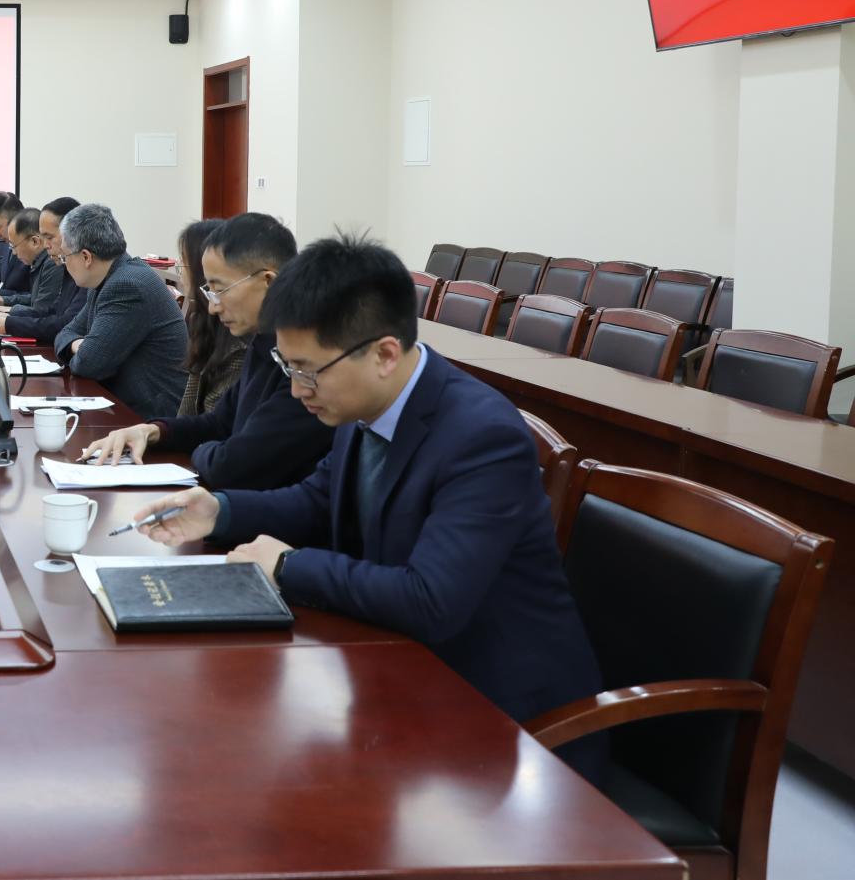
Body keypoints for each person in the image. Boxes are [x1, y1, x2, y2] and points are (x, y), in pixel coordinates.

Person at [130, 233, 607, 781]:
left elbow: (430, 600)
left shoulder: (480, 436)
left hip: (505, 728)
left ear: (383, 354)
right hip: (401, 673)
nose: (297, 390)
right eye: (289, 367)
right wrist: (220, 510)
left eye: (308, 370)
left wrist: (287, 565)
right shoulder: (365, 404)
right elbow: (316, 500)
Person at [81, 212, 332, 490]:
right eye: (208, 292)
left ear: (269, 282)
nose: (212, 306)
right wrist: (152, 431)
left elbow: (234, 466)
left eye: (219, 290)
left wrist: (201, 450)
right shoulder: (262, 342)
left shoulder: (303, 364)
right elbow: (219, 422)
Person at [52, 203, 187, 419]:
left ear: (86, 257)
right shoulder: (107, 278)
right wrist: (80, 344)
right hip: (122, 406)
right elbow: (65, 333)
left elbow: (88, 365)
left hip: (149, 419)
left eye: (65, 257)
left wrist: (82, 347)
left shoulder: (126, 286)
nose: (64, 264)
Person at [0, 196, 87, 344]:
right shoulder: (67, 267)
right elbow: (53, 311)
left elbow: (63, 324)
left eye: (49, 237)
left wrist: (8, 323)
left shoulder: (77, 271)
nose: (46, 245)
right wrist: (10, 317)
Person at [175, 219, 247, 413]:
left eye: (183, 263)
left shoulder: (236, 341)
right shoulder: (202, 320)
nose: (179, 271)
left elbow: (214, 420)